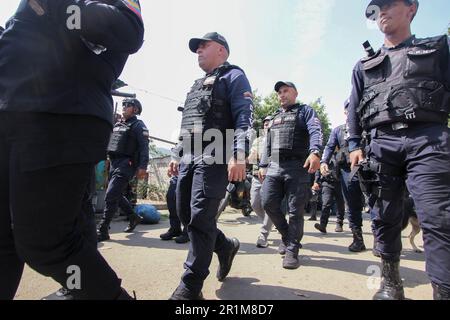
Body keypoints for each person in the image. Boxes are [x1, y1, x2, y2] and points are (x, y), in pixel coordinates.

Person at [0, 0, 144, 300]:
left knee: (47, 244)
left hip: (59, 113)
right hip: (10, 110)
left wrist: (57, 6)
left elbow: (129, 30)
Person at [348, 0, 450, 300]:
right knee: (384, 215)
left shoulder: (437, 51)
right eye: (377, 7)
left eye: (390, 3)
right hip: (381, 144)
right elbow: (354, 108)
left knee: (438, 218)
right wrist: (354, 145)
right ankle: (391, 283)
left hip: (429, 139)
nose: (382, 11)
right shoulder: (363, 65)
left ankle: (443, 290)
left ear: (411, 8)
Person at [167, 32, 253, 300]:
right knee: (185, 215)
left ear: (221, 50)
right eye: (197, 48)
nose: (199, 51)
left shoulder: (234, 76)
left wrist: (239, 155)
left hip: (217, 154)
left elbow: (244, 118)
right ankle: (225, 246)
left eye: (204, 46)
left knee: (201, 218)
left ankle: (190, 288)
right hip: (190, 156)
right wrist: (176, 153)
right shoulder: (197, 85)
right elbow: (190, 123)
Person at [259, 81, 323, 270]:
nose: (281, 95)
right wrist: (263, 164)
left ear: (295, 93)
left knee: (295, 212)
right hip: (275, 166)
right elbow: (268, 143)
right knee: (267, 202)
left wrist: (316, 152)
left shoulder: (305, 111)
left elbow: (315, 131)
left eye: (285, 91)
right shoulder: (275, 117)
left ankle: (292, 250)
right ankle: (287, 235)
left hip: (297, 167)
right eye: (279, 92)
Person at [97, 98, 150, 242]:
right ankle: (133, 217)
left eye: (128, 105)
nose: (124, 107)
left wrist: (143, 167)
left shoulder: (138, 125)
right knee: (115, 194)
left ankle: (103, 229)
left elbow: (144, 148)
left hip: (127, 163)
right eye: (123, 105)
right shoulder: (118, 125)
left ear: (135, 110)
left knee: (111, 194)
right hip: (114, 163)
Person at [320, 101, 366, 251]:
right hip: (348, 170)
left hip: (369, 168)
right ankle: (357, 239)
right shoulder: (338, 131)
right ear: (345, 112)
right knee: (352, 204)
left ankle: (380, 239)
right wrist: (324, 161)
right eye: (348, 109)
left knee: (375, 202)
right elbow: (329, 147)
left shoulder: (369, 125)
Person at [248, 116, 274, 248]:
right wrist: (251, 157)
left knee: (268, 204)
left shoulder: (276, 140)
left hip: (271, 176)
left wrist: (264, 157)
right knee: (254, 203)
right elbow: (252, 158)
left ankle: (263, 235)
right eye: (264, 123)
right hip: (256, 176)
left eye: (269, 123)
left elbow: (276, 158)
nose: (266, 125)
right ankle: (271, 221)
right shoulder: (257, 140)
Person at [314, 155, 346, 234]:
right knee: (326, 203)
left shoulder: (343, 153)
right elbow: (319, 168)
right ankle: (323, 225)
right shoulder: (326, 155)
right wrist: (316, 181)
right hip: (327, 182)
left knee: (340, 204)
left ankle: (339, 223)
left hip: (340, 183)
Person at [159, 175, 190, 244]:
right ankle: (175, 229)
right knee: (171, 196)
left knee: (185, 199)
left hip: (193, 172)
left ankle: (188, 231)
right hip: (180, 172)